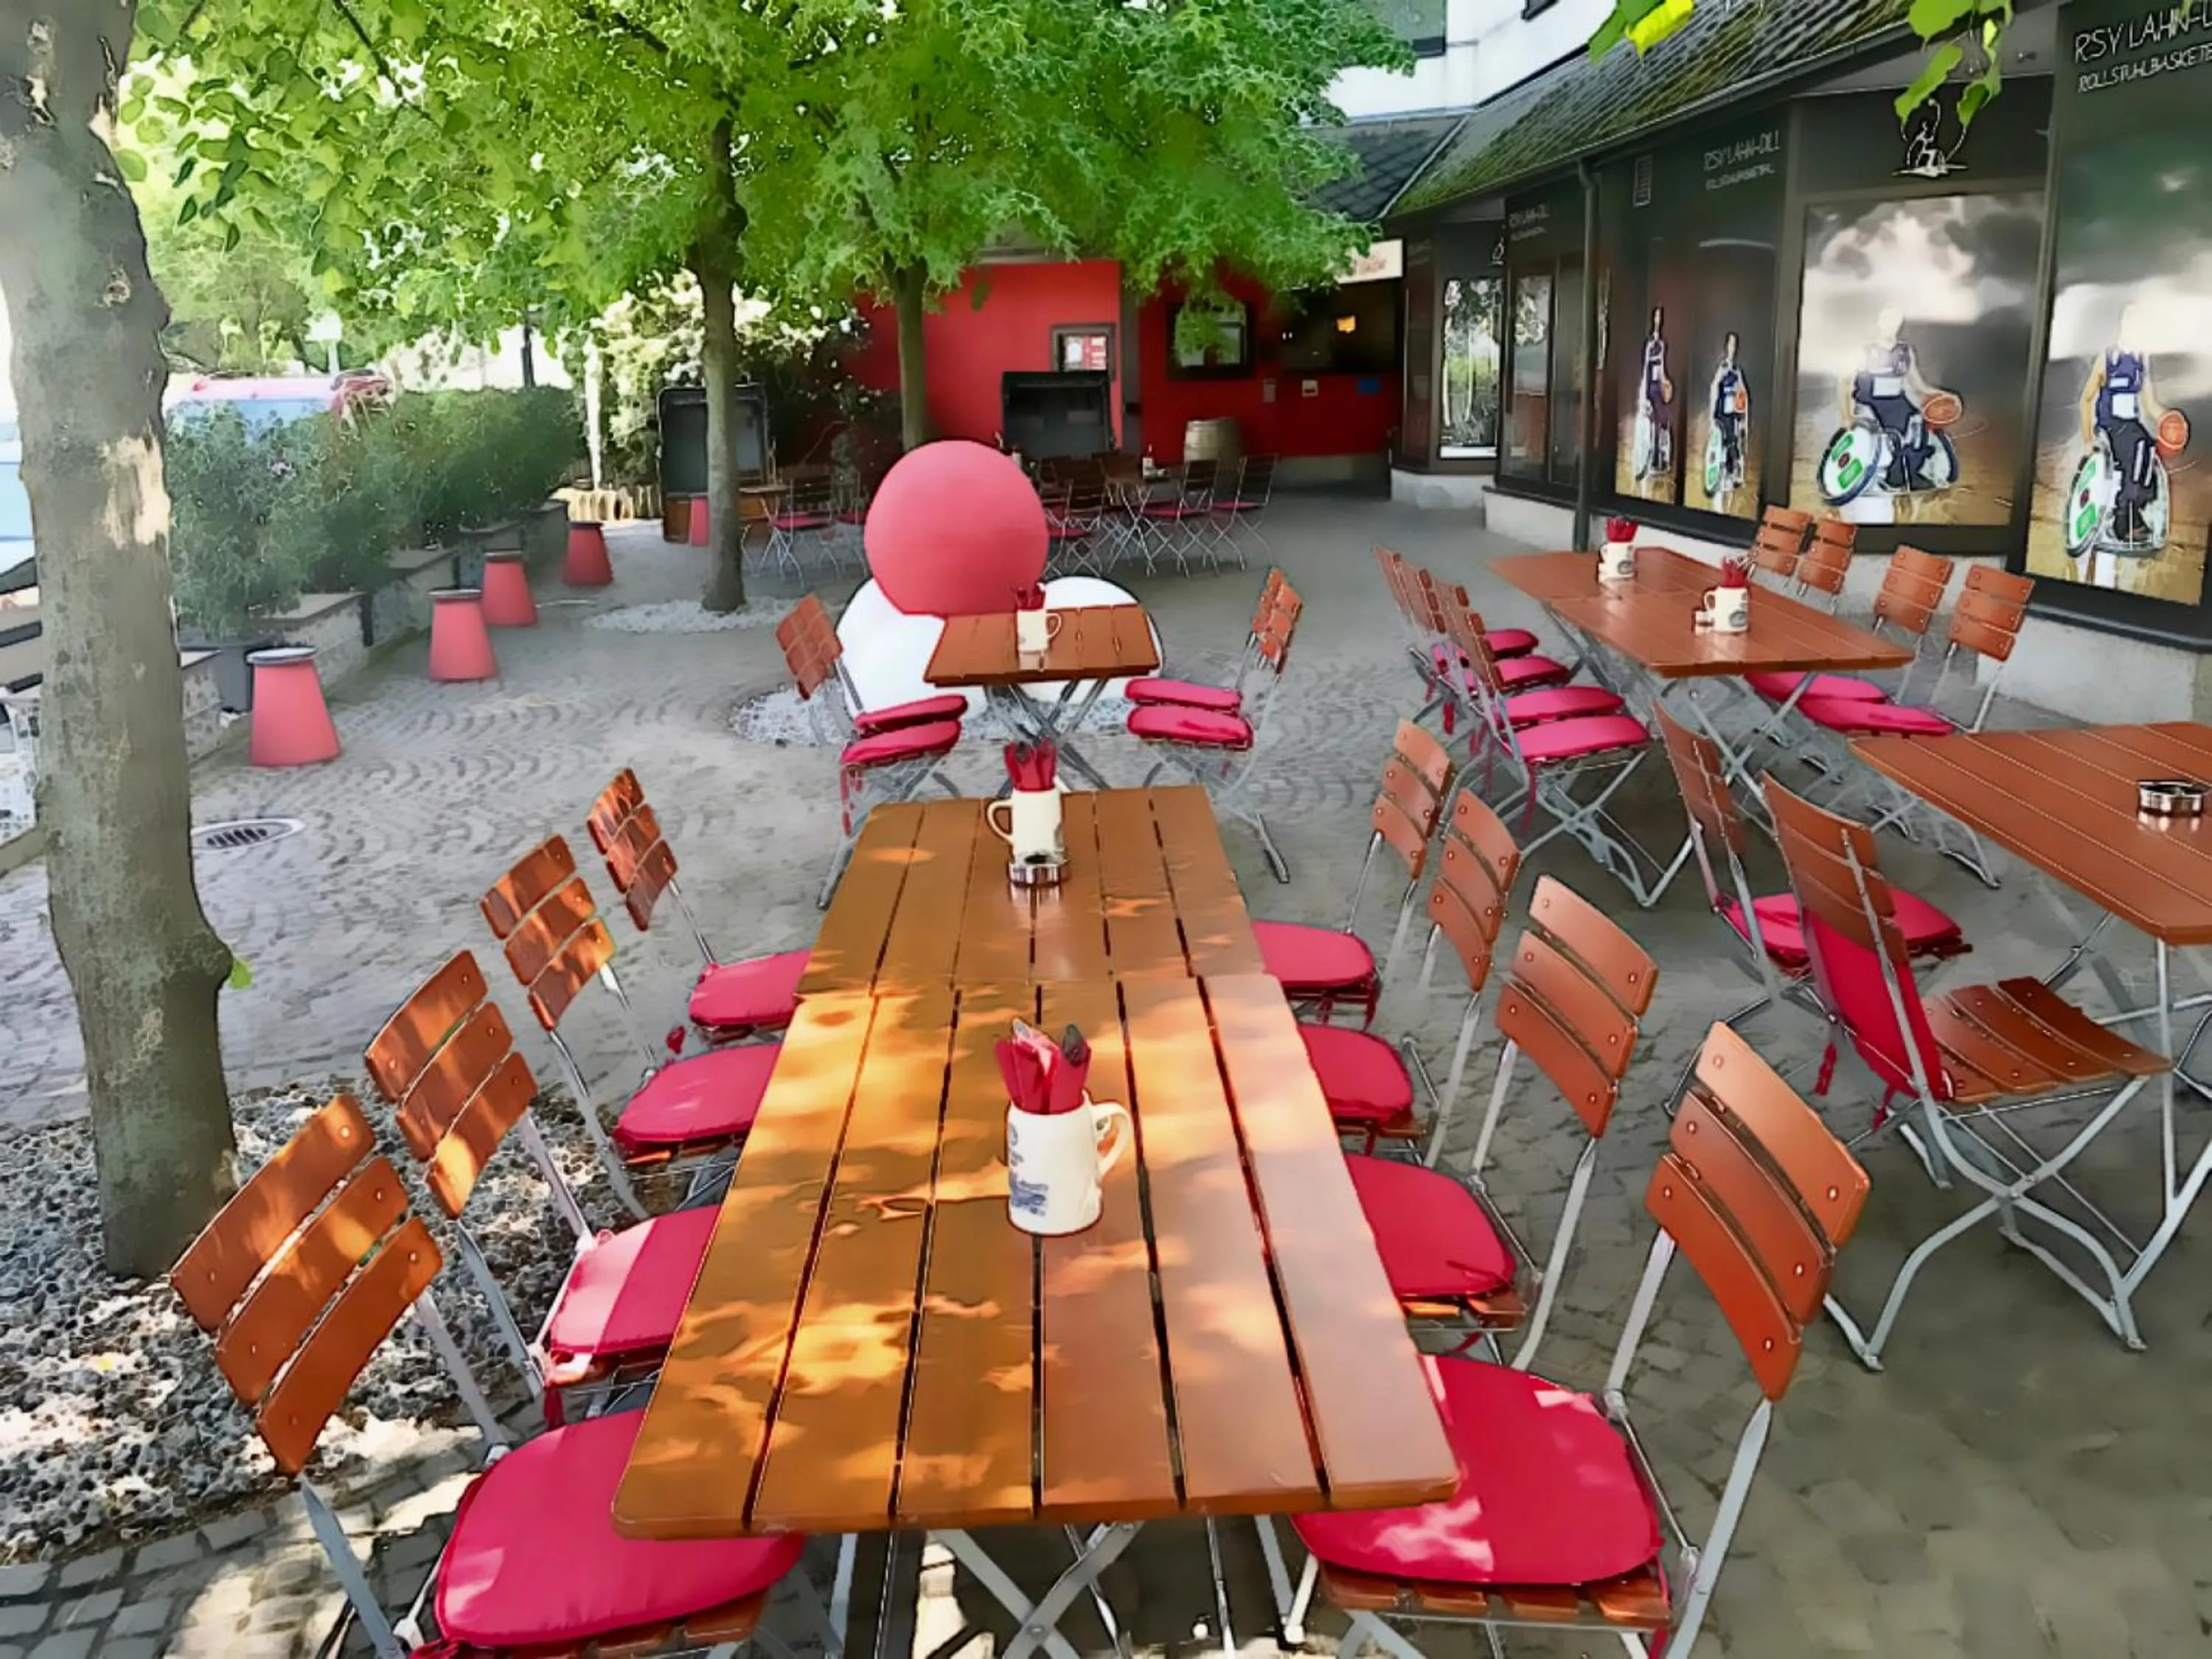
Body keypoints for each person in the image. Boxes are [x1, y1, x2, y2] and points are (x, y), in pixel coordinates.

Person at [2077, 302, 2168, 547]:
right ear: (2124, 325)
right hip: (2109, 426)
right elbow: (2086, 400)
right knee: (2140, 447)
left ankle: (2134, 511)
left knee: (2149, 449)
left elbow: (2150, 404)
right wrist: (2088, 440)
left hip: (2130, 425)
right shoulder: (2107, 358)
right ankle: (2122, 520)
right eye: (2132, 323)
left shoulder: (2141, 359)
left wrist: (2169, 420)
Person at [1843, 307, 1951, 491]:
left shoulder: (1905, 351)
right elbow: (1844, 384)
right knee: (1895, 432)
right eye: (1888, 320)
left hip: (1897, 401)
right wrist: (1847, 417)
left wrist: (1941, 394)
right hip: (1870, 403)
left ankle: (1909, 472)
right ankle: (1891, 476)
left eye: (1895, 321)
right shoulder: (1863, 351)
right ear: (1879, 322)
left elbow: (1919, 385)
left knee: (1918, 426)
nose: (1891, 325)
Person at [1708, 331, 1748, 493]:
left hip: (1733, 413)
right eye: (1730, 344)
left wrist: (1743, 418)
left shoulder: (1737, 371)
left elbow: (1743, 394)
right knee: (1723, 443)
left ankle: (1733, 475)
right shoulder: (1722, 368)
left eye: (1735, 345)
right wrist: (1712, 415)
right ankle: (1722, 475)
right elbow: (1714, 389)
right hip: (1721, 413)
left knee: (1734, 443)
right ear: (1726, 347)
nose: (1732, 348)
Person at [1640, 307, 1674, 475]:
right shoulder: (1650, 345)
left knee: (1664, 423)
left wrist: (1666, 382)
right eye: (1656, 316)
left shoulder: (1662, 344)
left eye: (1660, 317)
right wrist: (1645, 394)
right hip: (1651, 389)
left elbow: (1662, 369)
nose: (1658, 320)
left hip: (1659, 389)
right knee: (1654, 424)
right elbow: (1647, 368)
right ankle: (1653, 460)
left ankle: (1662, 459)